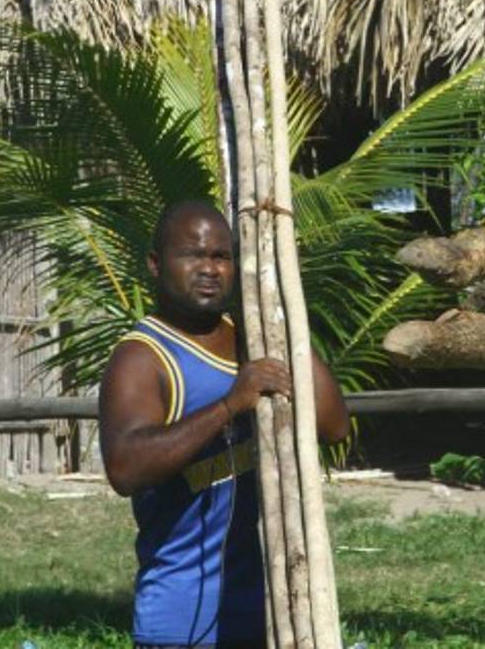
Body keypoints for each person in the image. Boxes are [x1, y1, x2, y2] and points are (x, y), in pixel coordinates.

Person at [99, 199, 349, 648]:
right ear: (156, 265)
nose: (209, 269)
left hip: (269, 607)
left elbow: (333, 427)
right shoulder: (142, 357)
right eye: (193, 255)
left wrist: (284, 326)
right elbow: (125, 467)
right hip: (182, 617)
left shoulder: (253, 339)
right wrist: (229, 406)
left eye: (221, 256)